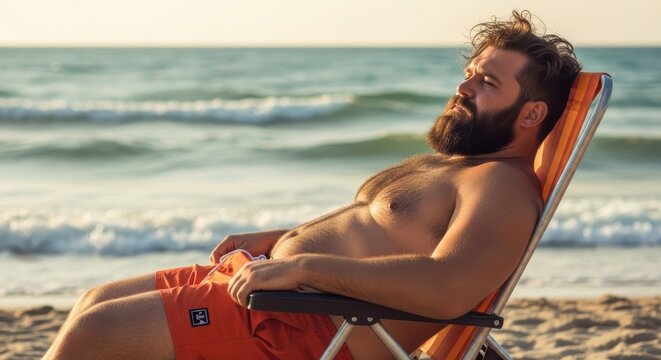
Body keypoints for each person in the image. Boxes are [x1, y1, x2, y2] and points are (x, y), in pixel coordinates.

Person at [46, 10, 581, 360]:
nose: (462, 86)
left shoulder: (503, 190)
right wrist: (284, 238)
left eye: (488, 82)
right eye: (469, 71)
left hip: (312, 329)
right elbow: (381, 234)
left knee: (96, 335)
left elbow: (446, 287)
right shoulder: (458, 166)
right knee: (94, 302)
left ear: (531, 112)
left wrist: (301, 265)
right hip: (276, 290)